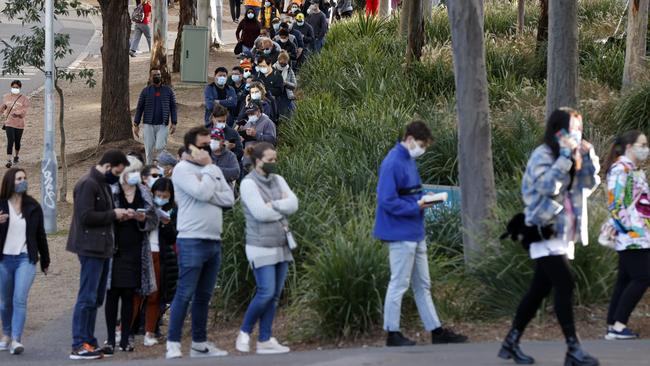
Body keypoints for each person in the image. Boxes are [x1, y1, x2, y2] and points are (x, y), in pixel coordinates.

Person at [498, 108, 600, 366]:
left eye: (579, 127)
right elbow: (545, 187)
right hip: (543, 228)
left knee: (538, 290)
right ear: (559, 130)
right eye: (573, 127)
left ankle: (511, 342)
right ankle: (573, 349)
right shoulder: (542, 155)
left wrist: (588, 156)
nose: (577, 132)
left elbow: (588, 184)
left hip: (564, 230)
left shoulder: (573, 155)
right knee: (565, 282)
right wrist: (565, 157)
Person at [374, 120, 467, 348]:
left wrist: (422, 202)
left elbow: (409, 193)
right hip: (400, 233)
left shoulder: (406, 160)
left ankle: (435, 330)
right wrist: (417, 206)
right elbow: (386, 200)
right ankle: (392, 333)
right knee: (399, 283)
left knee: (422, 284)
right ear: (409, 139)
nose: (422, 149)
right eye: (421, 144)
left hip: (414, 232)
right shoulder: (393, 162)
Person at [166, 127, 235, 359]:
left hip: (213, 239)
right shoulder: (182, 170)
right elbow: (202, 193)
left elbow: (229, 198)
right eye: (203, 146)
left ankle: (199, 343)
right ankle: (173, 344)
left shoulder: (212, 168)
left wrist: (209, 174)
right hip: (191, 239)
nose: (209, 149)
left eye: (210, 145)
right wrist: (209, 173)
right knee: (185, 292)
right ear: (190, 147)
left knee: (204, 296)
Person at [235, 142, 298, 354]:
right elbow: (259, 213)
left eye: (275, 160)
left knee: (275, 295)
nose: (274, 163)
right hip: (259, 245)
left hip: (282, 242)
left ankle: (265, 339)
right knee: (265, 291)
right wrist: (281, 207)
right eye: (270, 160)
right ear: (258, 160)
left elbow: (294, 204)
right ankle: (244, 331)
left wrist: (274, 206)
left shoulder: (278, 179)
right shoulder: (248, 184)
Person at [67, 150, 131, 360]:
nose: (117, 176)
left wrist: (119, 215)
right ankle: (78, 344)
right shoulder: (88, 184)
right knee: (87, 296)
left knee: (95, 297)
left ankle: (89, 340)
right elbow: (85, 216)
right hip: (90, 247)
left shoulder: (102, 183)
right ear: (109, 165)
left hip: (102, 247)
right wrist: (114, 214)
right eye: (117, 171)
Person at [102, 156, 158, 355]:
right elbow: (102, 216)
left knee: (129, 294)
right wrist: (117, 215)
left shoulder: (143, 192)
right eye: (130, 171)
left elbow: (153, 219)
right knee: (112, 294)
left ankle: (126, 338)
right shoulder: (111, 190)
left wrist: (142, 219)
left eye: (136, 171)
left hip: (136, 250)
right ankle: (110, 338)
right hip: (114, 250)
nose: (133, 175)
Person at [603, 130, 650, 341]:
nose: (646, 149)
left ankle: (613, 324)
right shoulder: (620, 169)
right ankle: (619, 325)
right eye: (642, 145)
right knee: (643, 277)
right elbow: (615, 203)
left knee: (625, 279)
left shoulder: (634, 170)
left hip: (640, 234)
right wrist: (628, 231)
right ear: (630, 147)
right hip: (632, 236)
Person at [0, 168, 49, 355]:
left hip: (25, 259)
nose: (23, 181)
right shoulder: (1, 204)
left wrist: (45, 260)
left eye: (24, 178)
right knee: (5, 301)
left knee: (19, 299)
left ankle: (16, 339)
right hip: (3, 259)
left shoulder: (33, 206)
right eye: (19, 178)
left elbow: (40, 235)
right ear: (10, 181)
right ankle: (5, 334)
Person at [140, 177, 179, 347]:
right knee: (138, 296)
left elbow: (172, 238)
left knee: (157, 296)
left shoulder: (172, 211)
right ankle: (125, 329)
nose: (161, 198)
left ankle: (151, 330)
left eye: (165, 195)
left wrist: (166, 223)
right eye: (158, 194)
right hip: (145, 254)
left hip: (163, 257)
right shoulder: (146, 207)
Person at [133, 69, 178, 165]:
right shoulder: (145, 91)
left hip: (163, 124)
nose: (157, 76)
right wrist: (136, 124)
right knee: (148, 149)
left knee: (160, 147)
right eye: (154, 75)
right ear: (150, 77)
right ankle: (149, 168)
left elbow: (173, 107)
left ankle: (160, 168)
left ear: (161, 76)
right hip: (148, 125)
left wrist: (174, 122)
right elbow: (139, 108)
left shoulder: (168, 90)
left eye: (158, 74)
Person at [0, 81, 30, 169]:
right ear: (11, 87)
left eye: (17, 87)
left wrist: (18, 113)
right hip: (9, 122)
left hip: (19, 124)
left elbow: (24, 110)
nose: (15, 89)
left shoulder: (24, 99)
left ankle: (16, 156)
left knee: (17, 142)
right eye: (13, 87)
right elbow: (3, 107)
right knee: (10, 140)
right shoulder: (6, 97)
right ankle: (9, 160)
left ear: (20, 88)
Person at [272, 51, 296, 117]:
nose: (282, 65)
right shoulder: (272, 69)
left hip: (286, 96)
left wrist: (286, 83)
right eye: (281, 63)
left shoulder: (289, 70)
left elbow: (294, 85)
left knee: (290, 115)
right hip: (276, 96)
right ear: (278, 60)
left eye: (284, 64)